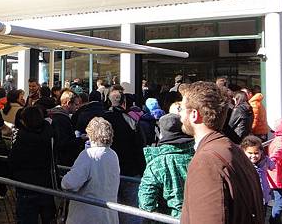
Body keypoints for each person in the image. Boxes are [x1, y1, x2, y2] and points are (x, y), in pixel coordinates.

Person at [179, 81, 264, 224]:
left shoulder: (206, 161)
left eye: (181, 108)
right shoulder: (234, 149)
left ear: (194, 114)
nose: (179, 113)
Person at [62, 117, 120, 224]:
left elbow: (70, 183)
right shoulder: (113, 154)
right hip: (108, 216)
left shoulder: (88, 155)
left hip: (87, 216)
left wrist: (63, 179)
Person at [138, 113, 194, 218]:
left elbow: (146, 202)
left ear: (162, 134)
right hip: (200, 217)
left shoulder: (157, 163)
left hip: (170, 218)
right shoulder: (199, 153)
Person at [103, 90, 145, 224]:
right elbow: (140, 145)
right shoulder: (131, 121)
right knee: (132, 210)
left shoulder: (102, 121)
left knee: (110, 210)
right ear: (124, 103)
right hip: (130, 171)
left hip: (108, 171)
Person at [8, 106, 56, 224]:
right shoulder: (49, 134)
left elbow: (13, 161)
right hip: (46, 183)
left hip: (26, 186)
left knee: (26, 218)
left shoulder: (21, 137)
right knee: (47, 218)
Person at [47, 90, 84, 167]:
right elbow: (64, 142)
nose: (78, 107)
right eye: (76, 104)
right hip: (63, 161)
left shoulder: (58, 116)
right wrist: (81, 139)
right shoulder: (61, 119)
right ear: (68, 103)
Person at [241, 136, 274, 210]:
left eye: (256, 153)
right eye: (250, 153)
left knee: (263, 214)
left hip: (264, 195)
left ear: (261, 152)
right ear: (243, 151)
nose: (253, 156)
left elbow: (272, 166)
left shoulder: (265, 160)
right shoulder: (243, 164)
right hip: (250, 197)